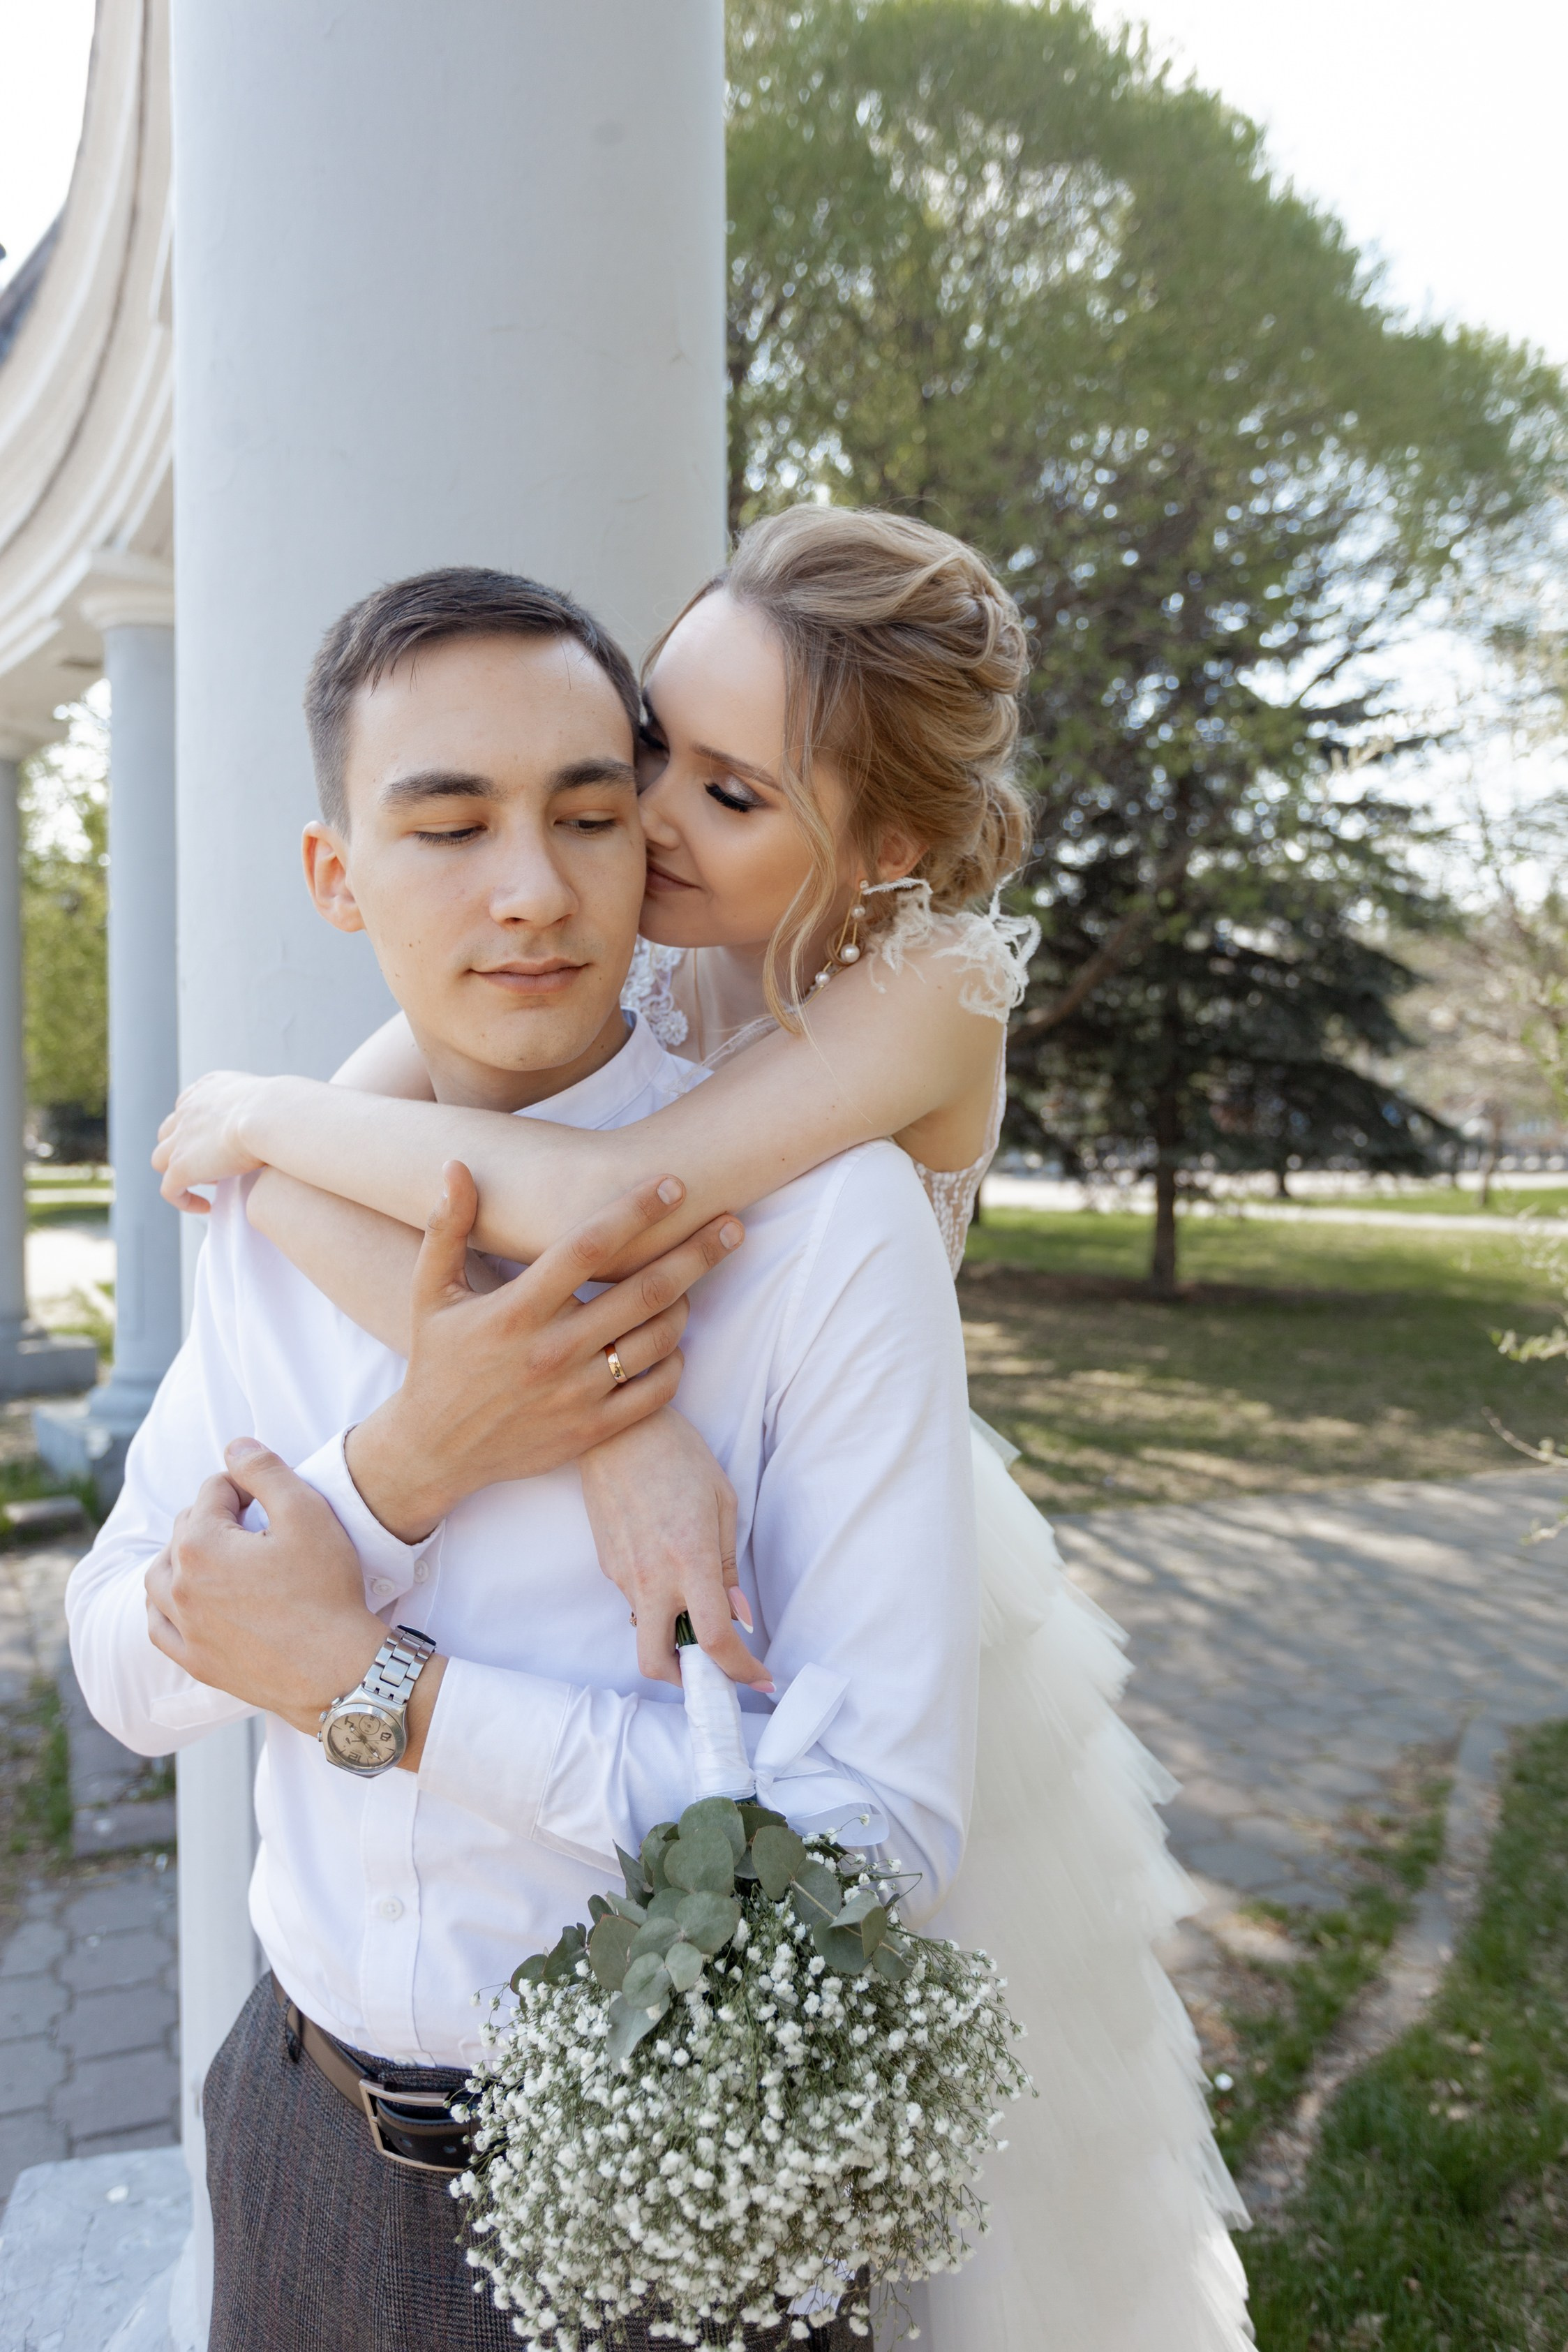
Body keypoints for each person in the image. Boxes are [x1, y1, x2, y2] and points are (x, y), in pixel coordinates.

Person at [153, 509, 1253, 2351]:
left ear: (882, 846)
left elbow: (619, 1193)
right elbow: (324, 1206)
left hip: (852, 1553)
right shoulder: (657, 923)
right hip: (675, 1474)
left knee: (848, 2086)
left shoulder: (929, 981)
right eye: (657, 747)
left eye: (730, 795)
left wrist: (262, 1106)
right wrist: (599, 1426)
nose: (646, 824)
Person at [68, 565, 980, 2352]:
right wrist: (407, 1460)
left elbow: (873, 1833)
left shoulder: (821, 1224)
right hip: (292, 2131)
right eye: (448, 824)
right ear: (339, 876)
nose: (533, 889)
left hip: (670, 2179)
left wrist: (378, 1686)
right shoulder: (290, 1212)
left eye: (588, 812)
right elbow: (120, 1663)